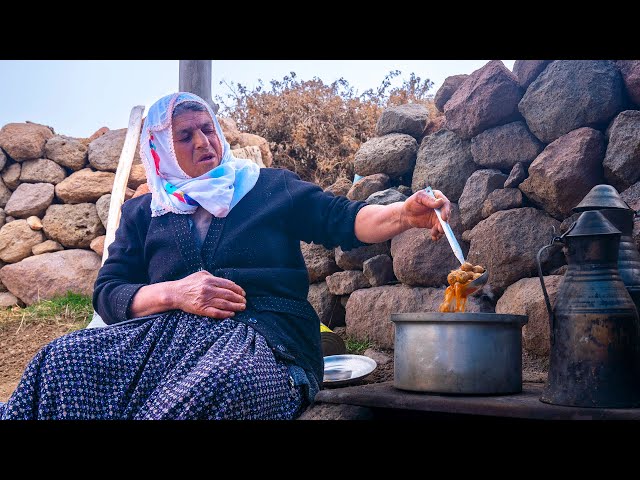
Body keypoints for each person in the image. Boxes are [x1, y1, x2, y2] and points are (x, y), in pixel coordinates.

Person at [0, 92, 451, 420]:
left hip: (263, 339)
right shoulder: (144, 211)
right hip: (160, 342)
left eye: (208, 128)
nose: (204, 142)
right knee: (58, 363)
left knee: (215, 387)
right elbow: (109, 294)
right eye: (185, 135)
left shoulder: (269, 187)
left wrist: (403, 213)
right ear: (159, 150)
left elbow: (345, 219)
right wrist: (174, 293)